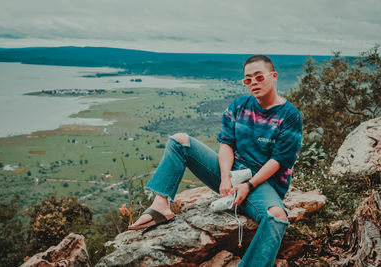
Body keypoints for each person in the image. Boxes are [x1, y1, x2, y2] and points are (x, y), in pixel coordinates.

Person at [129, 55, 303, 266]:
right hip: (232, 172)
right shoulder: (239, 106)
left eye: (259, 77)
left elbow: (278, 161)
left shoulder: (290, 115)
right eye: (248, 80)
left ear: (273, 76)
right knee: (180, 141)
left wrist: (248, 186)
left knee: (277, 215)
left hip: (263, 182)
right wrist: (224, 178)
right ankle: (160, 206)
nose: (253, 83)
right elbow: (226, 144)